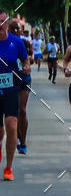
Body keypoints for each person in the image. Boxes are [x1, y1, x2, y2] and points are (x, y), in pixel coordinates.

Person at [0, 9, 30, 180]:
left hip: (11, 88)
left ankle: (8, 167)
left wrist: (26, 66)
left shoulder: (16, 42)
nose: (0, 25)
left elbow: (25, 59)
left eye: (3, 21)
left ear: (7, 23)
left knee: (11, 125)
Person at [9, 20, 32, 155]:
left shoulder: (24, 43)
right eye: (13, 29)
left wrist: (27, 65)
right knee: (13, 111)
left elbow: (28, 58)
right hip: (10, 80)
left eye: (17, 29)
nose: (15, 31)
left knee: (22, 110)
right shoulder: (5, 43)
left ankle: (23, 141)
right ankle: (16, 135)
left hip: (24, 79)